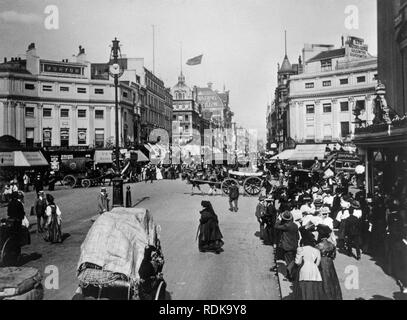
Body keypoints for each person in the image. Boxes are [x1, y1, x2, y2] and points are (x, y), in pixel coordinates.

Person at [293, 235, 325, 300]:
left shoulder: (301, 249)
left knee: (304, 290)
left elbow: (297, 262)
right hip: (315, 270)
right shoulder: (317, 251)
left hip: (304, 269)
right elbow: (317, 263)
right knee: (314, 290)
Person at [316, 225, 343, 300]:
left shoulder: (318, 245)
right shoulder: (331, 244)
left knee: (323, 280)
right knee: (332, 280)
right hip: (330, 263)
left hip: (321, 263)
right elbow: (333, 256)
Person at [274, 211, 299, 280]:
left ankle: (290, 276)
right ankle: (292, 274)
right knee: (292, 260)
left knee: (289, 261)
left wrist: (279, 219)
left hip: (287, 246)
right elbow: (298, 236)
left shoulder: (286, 226)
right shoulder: (295, 225)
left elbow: (276, 226)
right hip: (294, 245)